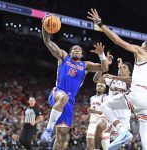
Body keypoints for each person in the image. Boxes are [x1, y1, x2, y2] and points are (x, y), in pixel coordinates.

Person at [41, 15, 112, 150]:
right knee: (63, 97)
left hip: (70, 102)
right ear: (69, 52)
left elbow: (104, 68)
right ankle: (48, 130)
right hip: (57, 93)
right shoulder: (63, 57)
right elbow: (47, 41)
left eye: (78, 49)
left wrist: (102, 56)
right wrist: (45, 27)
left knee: (61, 137)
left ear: (82, 54)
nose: (75, 50)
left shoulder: (86, 65)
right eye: (73, 49)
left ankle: (53, 138)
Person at [87, 8, 147, 150]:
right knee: (145, 142)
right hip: (146, 101)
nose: (142, 44)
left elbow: (118, 41)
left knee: (105, 105)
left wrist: (101, 24)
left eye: (144, 43)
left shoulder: (142, 52)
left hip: (137, 94)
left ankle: (123, 131)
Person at [93, 58, 132, 149]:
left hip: (122, 117)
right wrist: (102, 67)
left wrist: (114, 75)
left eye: (124, 68)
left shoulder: (130, 82)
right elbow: (96, 79)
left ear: (129, 72)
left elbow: (129, 80)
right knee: (100, 125)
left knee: (119, 147)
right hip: (109, 114)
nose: (120, 68)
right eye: (120, 67)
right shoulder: (112, 80)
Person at [82, 82, 110, 150]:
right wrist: (88, 116)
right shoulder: (92, 98)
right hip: (92, 123)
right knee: (89, 146)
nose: (99, 87)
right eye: (98, 86)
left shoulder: (106, 97)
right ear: (96, 87)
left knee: (106, 148)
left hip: (102, 124)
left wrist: (94, 112)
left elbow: (108, 112)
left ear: (104, 88)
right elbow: (92, 110)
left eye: (101, 86)